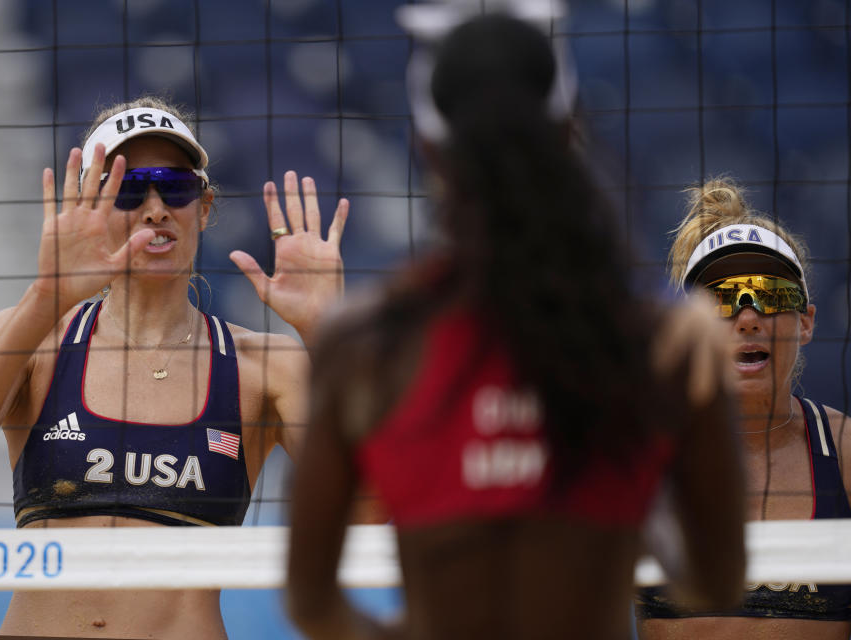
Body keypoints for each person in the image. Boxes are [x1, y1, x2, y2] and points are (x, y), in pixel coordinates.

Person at [284, 11, 746, 640]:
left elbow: (311, 602)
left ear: (429, 148)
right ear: (569, 130)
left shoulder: (367, 341)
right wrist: (627, 505)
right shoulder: (664, 342)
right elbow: (716, 581)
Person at [0, 95, 349, 639]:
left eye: (178, 186)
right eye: (129, 188)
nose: (156, 207)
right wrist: (45, 296)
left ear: (205, 207)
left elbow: (373, 505)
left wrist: (331, 335)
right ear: (90, 206)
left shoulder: (267, 364)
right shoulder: (37, 338)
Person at [635, 178, 851, 638]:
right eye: (720, 299)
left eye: (770, 294)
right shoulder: (642, 453)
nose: (748, 316)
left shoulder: (845, 451)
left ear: (807, 322)